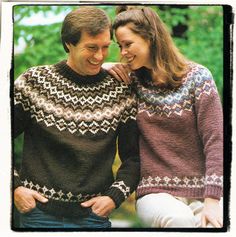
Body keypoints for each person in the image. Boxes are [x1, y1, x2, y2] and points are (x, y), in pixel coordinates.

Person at [13, 6, 140, 229]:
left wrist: (113, 197)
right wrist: (14, 186)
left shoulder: (121, 90)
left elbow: (134, 158)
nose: (99, 56)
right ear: (68, 44)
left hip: (94, 217)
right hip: (38, 214)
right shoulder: (34, 82)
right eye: (91, 48)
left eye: (105, 47)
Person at [104, 6, 223, 228]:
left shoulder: (198, 77)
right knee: (180, 221)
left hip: (203, 193)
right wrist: (103, 67)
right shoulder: (131, 83)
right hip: (154, 192)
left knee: (216, 225)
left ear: (151, 37)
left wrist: (213, 199)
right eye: (120, 46)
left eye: (128, 44)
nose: (122, 53)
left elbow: (215, 141)